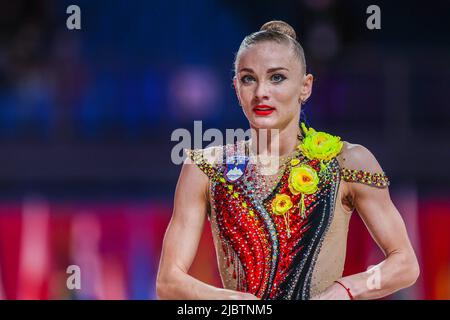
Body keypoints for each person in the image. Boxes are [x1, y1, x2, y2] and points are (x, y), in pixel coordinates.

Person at [156, 20, 419, 300]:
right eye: (248, 78)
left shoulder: (346, 161)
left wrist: (344, 291)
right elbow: (168, 281)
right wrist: (233, 302)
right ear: (236, 88)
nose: (261, 93)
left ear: (305, 86)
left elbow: (404, 263)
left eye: (277, 77)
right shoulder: (205, 168)